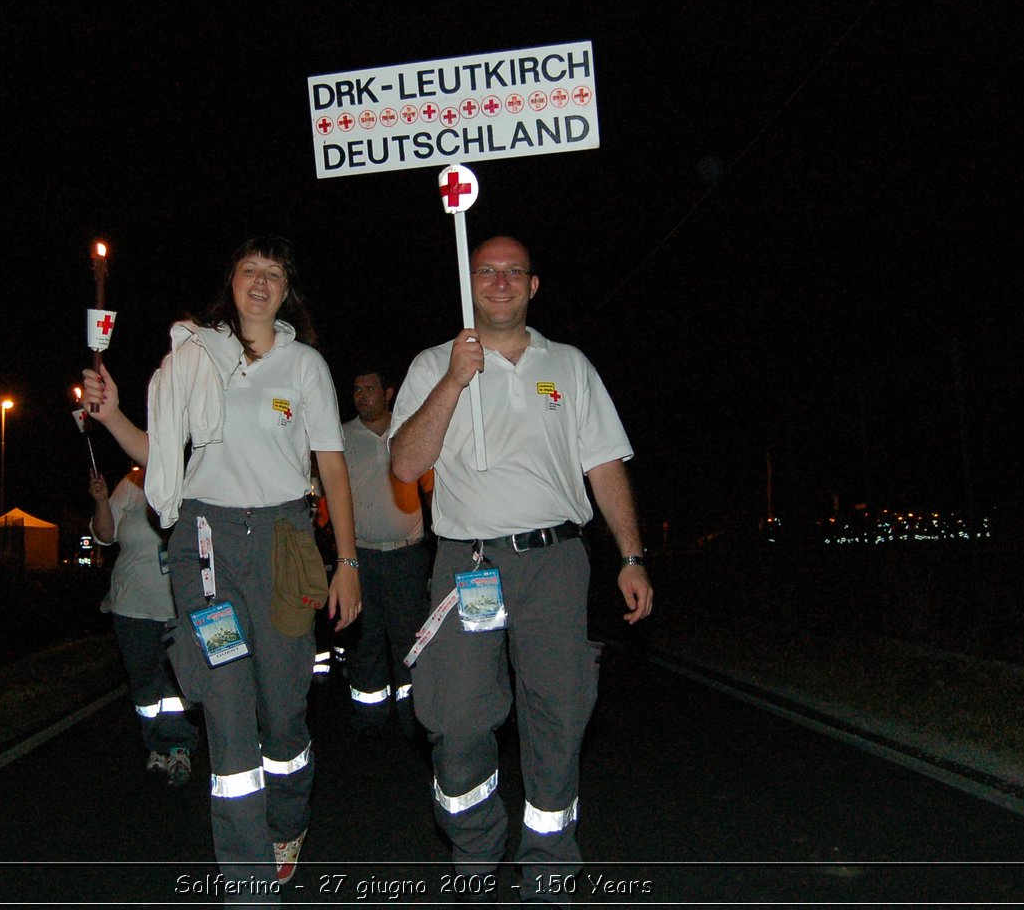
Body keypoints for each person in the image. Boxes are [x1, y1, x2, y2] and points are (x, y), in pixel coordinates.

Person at [81, 237, 360, 897]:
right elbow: (162, 458)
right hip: (204, 548)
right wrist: (113, 410)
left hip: (285, 541)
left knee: (285, 707)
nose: (260, 282)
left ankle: (288, 816)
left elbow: (333, 466)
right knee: (228, 709)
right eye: (248, 270)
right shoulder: (194, 357)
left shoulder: (306, 367)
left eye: (272, 273)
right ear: (231, 283)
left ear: (286, 289)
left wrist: (347, 560)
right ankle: (246, 878)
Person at [388, 236, 654, 902]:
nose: (501, 281)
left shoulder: (568, 365)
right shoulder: (431, 364)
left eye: (515, 272)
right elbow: (404, 466)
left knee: (561, 711)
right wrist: (456, 378)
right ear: (466, 282)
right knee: (454, 716)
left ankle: (549, 870)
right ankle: (475, 850)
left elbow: (604, 465)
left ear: (534, 286)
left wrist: (630, 554)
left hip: (557, 561)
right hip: (467, 564)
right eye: (486, 271)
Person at [89, 467, 198, 786]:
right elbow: (105, 535)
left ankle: (179, 745)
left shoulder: (188, 473)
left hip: (177, 605)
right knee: (144, 681)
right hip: (131, 604)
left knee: (176, 682)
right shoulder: (131, 481)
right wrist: (99, 501)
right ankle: (156, 745)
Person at [340, 367, 432, 740]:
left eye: (369, 389)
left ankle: (417, 717)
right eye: (356, 390)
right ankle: (370, 720)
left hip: (406, 557)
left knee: (410, 636)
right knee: (366, 639)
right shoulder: (342, 437)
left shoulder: (407, 432)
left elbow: (432, 487)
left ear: (388, 392)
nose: (361, 396)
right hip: (362, 556)